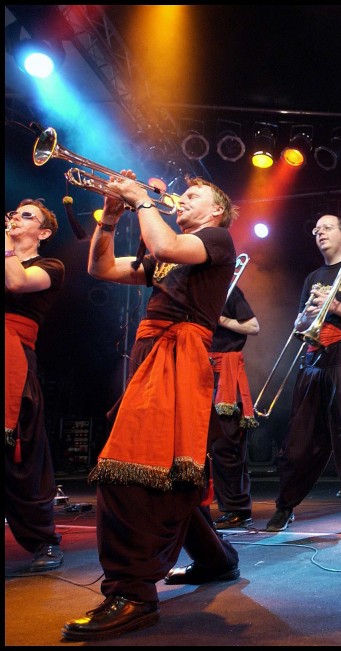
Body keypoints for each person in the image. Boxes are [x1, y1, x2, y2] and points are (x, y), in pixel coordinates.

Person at [63, 174, 241, 641]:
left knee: (131, 468)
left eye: (195, 194)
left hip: (178, 355)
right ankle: (216, 559)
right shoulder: (171, 248)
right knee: (167, 470)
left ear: (216, 210)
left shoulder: (215, 238)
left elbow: (164, 248)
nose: (182, 197)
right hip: (154, 353)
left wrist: (143, 200)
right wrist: (109, 220)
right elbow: (103, 269)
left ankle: (133, 593)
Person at [265, 213, 341, 534]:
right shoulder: (312, 278)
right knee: (300, 439)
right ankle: (285, 506)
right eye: (315, 228)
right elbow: (299, 326)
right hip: (316, 360)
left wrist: (336, 307)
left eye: (327, 227)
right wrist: (305, 317)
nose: (319, 232)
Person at [5, 199, 65, 574]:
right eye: (15, 212)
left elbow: (16, 282)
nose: (14, 216)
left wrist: (6, 245)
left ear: (43, 233)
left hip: (14, 361)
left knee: (21, 456)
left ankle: (43, 540)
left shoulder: (50, 266)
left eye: (26, 216)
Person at [209, 282, 261, 530]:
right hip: (202, 371)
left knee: (227, 446)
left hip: (226, 374)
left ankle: (238, 509)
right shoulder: (195, 293)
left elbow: (253, 326)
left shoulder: (228, 290)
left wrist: (219, 319)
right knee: (210, 446)